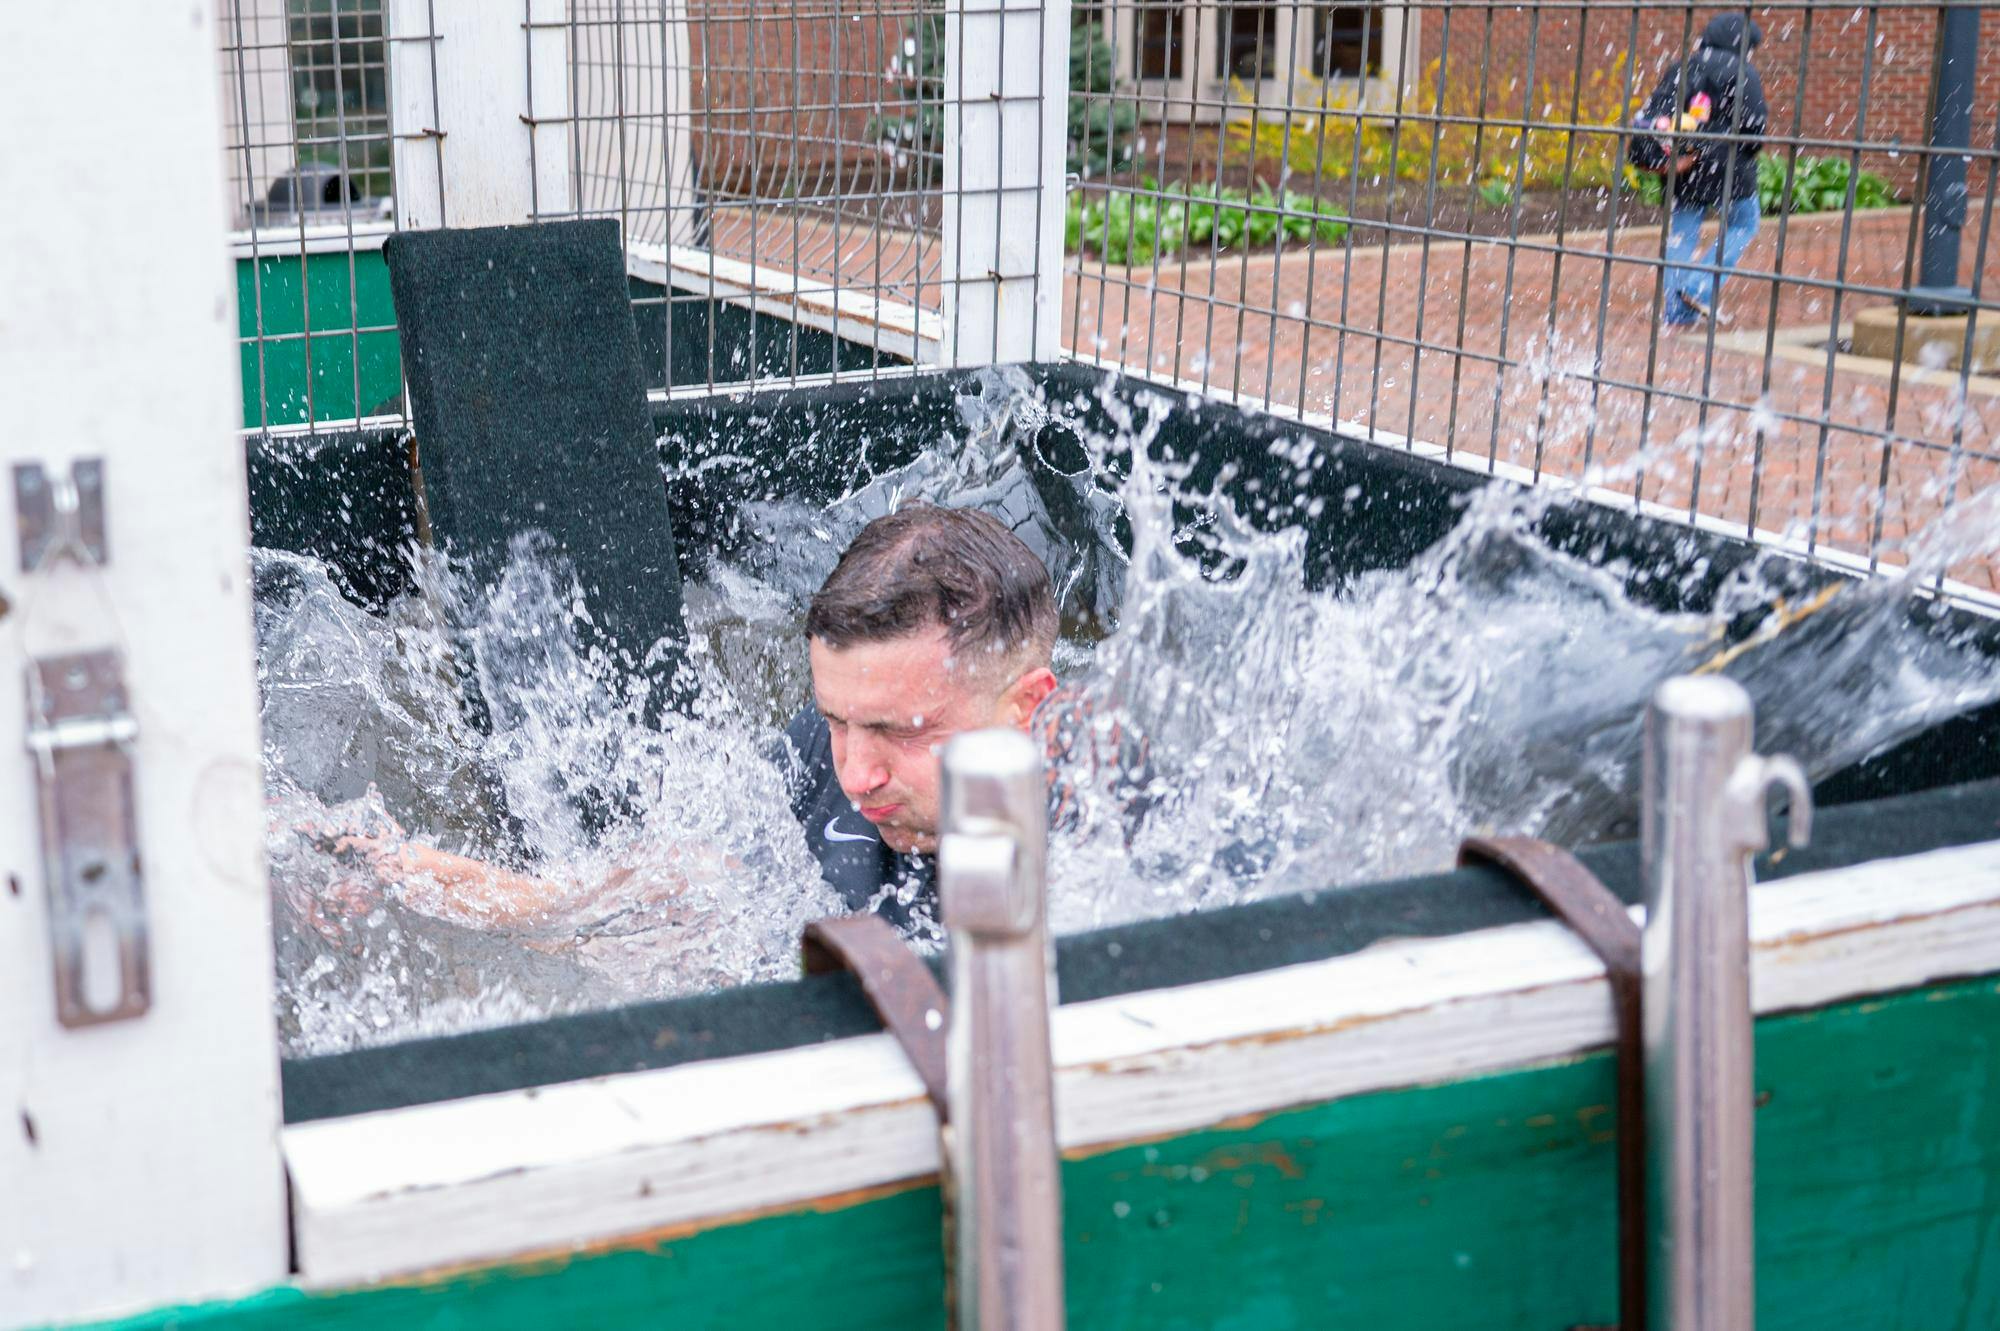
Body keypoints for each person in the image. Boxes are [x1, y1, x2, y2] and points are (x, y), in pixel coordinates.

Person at [333, 504, 1062, 930]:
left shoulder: (1099, 842)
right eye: (837, 718)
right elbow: (664, 888)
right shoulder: (816, 758)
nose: (857, 773)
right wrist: (425, 884)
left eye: (903, 732)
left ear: (1023, 706)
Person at [1629, 15, 1769, 326]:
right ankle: (1699, 285)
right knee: (1744, 224)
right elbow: (1754, 125)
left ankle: (1678, 313)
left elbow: (1656, 113)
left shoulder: (1684, 66)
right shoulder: (1743, 71)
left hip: (1682, 165)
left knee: (1681, 237)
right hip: (1727, 167)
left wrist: (1678, 151)